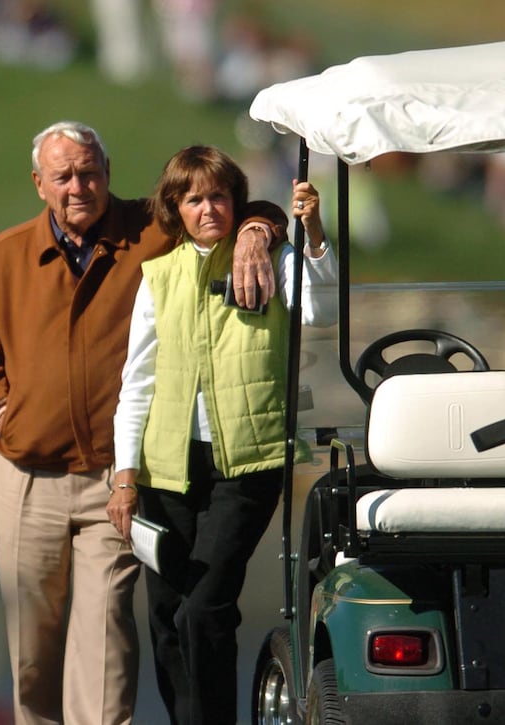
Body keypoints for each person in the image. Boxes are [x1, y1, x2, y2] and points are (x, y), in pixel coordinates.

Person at [0, 121, 285, 725]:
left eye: (90, 172)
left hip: (115, 477)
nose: (79, 186)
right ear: (39, 184)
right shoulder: (4, 257)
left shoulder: (150, 230)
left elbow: (225, 203)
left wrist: (260, 227)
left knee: (107, 639)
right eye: (64, 176)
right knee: (33, 649)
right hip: (26, 478)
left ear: (107, 173)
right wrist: (2, 409)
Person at [109, 145, 337, 724]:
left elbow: (318, 310)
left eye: (218, 196)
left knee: (203, 609)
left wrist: (312, 234)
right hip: (165, 468)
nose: (208, 208)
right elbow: (136, 381)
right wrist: (124, 476)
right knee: (165, 618)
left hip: (248, 464)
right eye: (193, 199)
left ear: (236, 202)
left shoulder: (271, 253)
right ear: (175, 209)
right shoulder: (158, 277)